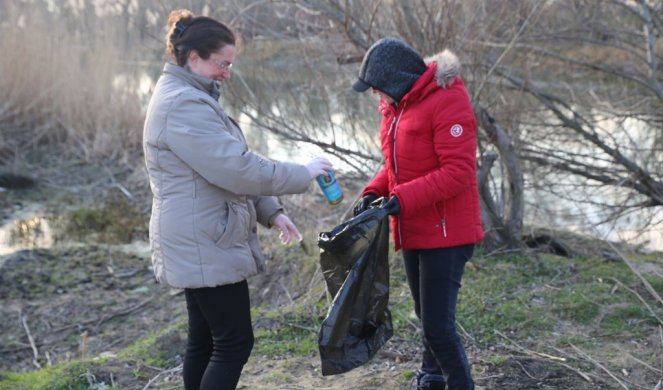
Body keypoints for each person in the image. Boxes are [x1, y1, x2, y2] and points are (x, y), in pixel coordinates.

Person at [142, 9, 333, 390]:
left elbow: (220, 172)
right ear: (193, 57)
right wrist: (304, 172)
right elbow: (238, 169)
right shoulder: (184, 105)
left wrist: (271, 211)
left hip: (201, 234)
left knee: (207, 340)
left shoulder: (190, 95)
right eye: (221, 63)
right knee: (233, 343)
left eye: (230, 64)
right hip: (205, 239)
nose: (227, 72)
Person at [351, 38, 484, 390]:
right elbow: (398, 167)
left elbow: (458, 172)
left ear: (395, 79)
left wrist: (401, 199)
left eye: (378, 88)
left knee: (438, 327)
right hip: (414, 225)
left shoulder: (448, 100)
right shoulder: (398, 107)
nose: (376, 96)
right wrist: (374, 192)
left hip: (447, 232)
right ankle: (431, 377)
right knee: (427, 317)